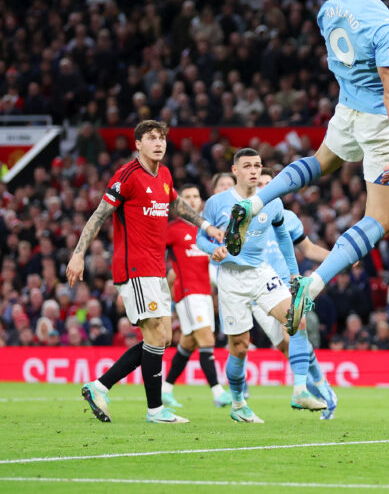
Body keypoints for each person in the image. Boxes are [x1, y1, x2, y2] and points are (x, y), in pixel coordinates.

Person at [223, 0, 389, 337]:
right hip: (379, 119)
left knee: (322, 162)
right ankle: (313, 284)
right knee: (382, 219)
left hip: (347, 108)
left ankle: (254, 203)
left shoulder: (329, 8)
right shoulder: (384, 20)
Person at [70, 120, 224, 424]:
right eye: (151, 138)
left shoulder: (164, 174)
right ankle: (155, 410)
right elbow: (99, 215)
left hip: (156, 268)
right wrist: (78, 254)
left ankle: (100, 386)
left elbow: (177, 205)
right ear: (138, 144)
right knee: (155, 332)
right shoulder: (127, 175)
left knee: (161, 337)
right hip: (134, 266)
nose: (159, 143)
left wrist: (206, 226)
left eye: (162, 138)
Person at [196, 148, 326, 423]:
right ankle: (238, 403)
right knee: (240, 347)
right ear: (235, 171)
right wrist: (213, 250)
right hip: (231, 277)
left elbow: (284, 238)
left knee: (297, 318)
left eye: (257, 165)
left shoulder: (273, 201)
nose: (254, 170)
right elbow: (200, 239)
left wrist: (294, 274)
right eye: (247, 166)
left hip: (261, 272)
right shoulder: (218, 203)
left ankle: (300, 390)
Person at [253, 171, 339, 419]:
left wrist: (339, 258)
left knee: (295, 329)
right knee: (288, 349)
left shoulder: (288, 218)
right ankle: (321, 387)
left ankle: (318, 389)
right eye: (260, 184)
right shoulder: (247, 217)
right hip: (256, 291)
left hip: (282, 288)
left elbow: (308, 249)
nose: (265, 188)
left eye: (269, 184)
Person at [161, 183, 231, 409]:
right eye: (187, 197)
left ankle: (165, 390)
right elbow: (153, 249)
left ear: (201, 201)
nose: (192, 200)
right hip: (187, 293)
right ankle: (218, 392)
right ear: (179, 203)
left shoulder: (207, 231)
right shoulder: (173, 229)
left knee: (189, 342)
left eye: (195, 196)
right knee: (207, 339)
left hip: (205, 294)